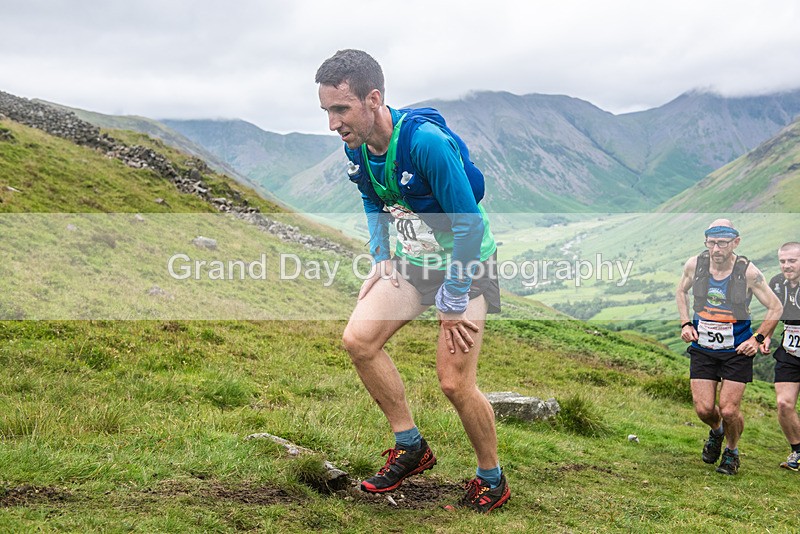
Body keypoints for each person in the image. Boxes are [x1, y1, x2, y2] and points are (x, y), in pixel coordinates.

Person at [315, 49, 509, 512]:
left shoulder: (425, 144)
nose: (332, 124)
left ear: (373, 99)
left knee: (454, 383)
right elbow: (370, 197)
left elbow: (470, 225)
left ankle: (492, 478)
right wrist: (382, 257)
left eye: (340, 110)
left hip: (468, 266)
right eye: (326, 111)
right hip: (412, 264)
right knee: (359, 340)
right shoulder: (355, 146)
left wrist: (454, 296)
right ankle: (411, 446)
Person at [676, 219, 783, 475]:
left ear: (735, 243)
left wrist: (756, 339)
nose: (716, 249)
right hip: (703, 347)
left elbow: (776, 306)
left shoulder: (748, 272)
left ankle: (731, 452)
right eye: (712, 243)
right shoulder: (695, 265)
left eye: (722, 243)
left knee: (728, 409)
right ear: (706, 242)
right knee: (703, 409)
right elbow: (681, 291)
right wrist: (685, 324)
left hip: (737, 350)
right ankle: (716, 432)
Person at [767, 242, 800, 471]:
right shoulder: (777, 283)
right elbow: (774, 312)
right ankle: (797, 451)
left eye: (792, 261)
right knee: (783, 403)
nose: (787, 265)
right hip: (790, 351)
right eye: (783, 261)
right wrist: (766, 336)